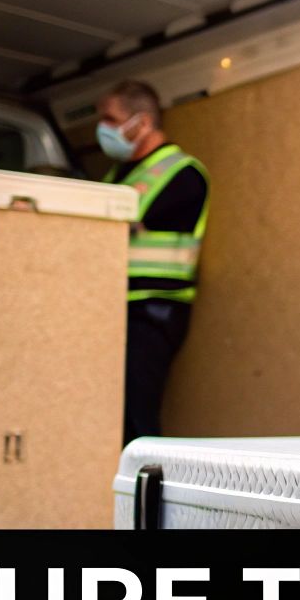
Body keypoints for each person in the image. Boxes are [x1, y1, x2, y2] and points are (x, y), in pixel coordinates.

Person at [95, 80, 209, 444]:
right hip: (118, 307)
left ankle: (144, 497)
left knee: (137, 414)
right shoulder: (118, 173)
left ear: (141, 123)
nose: (103, 129)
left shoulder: (182, 172)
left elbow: (123, 225)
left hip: (154, 311)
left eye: (111, 120)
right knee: (109, 412)